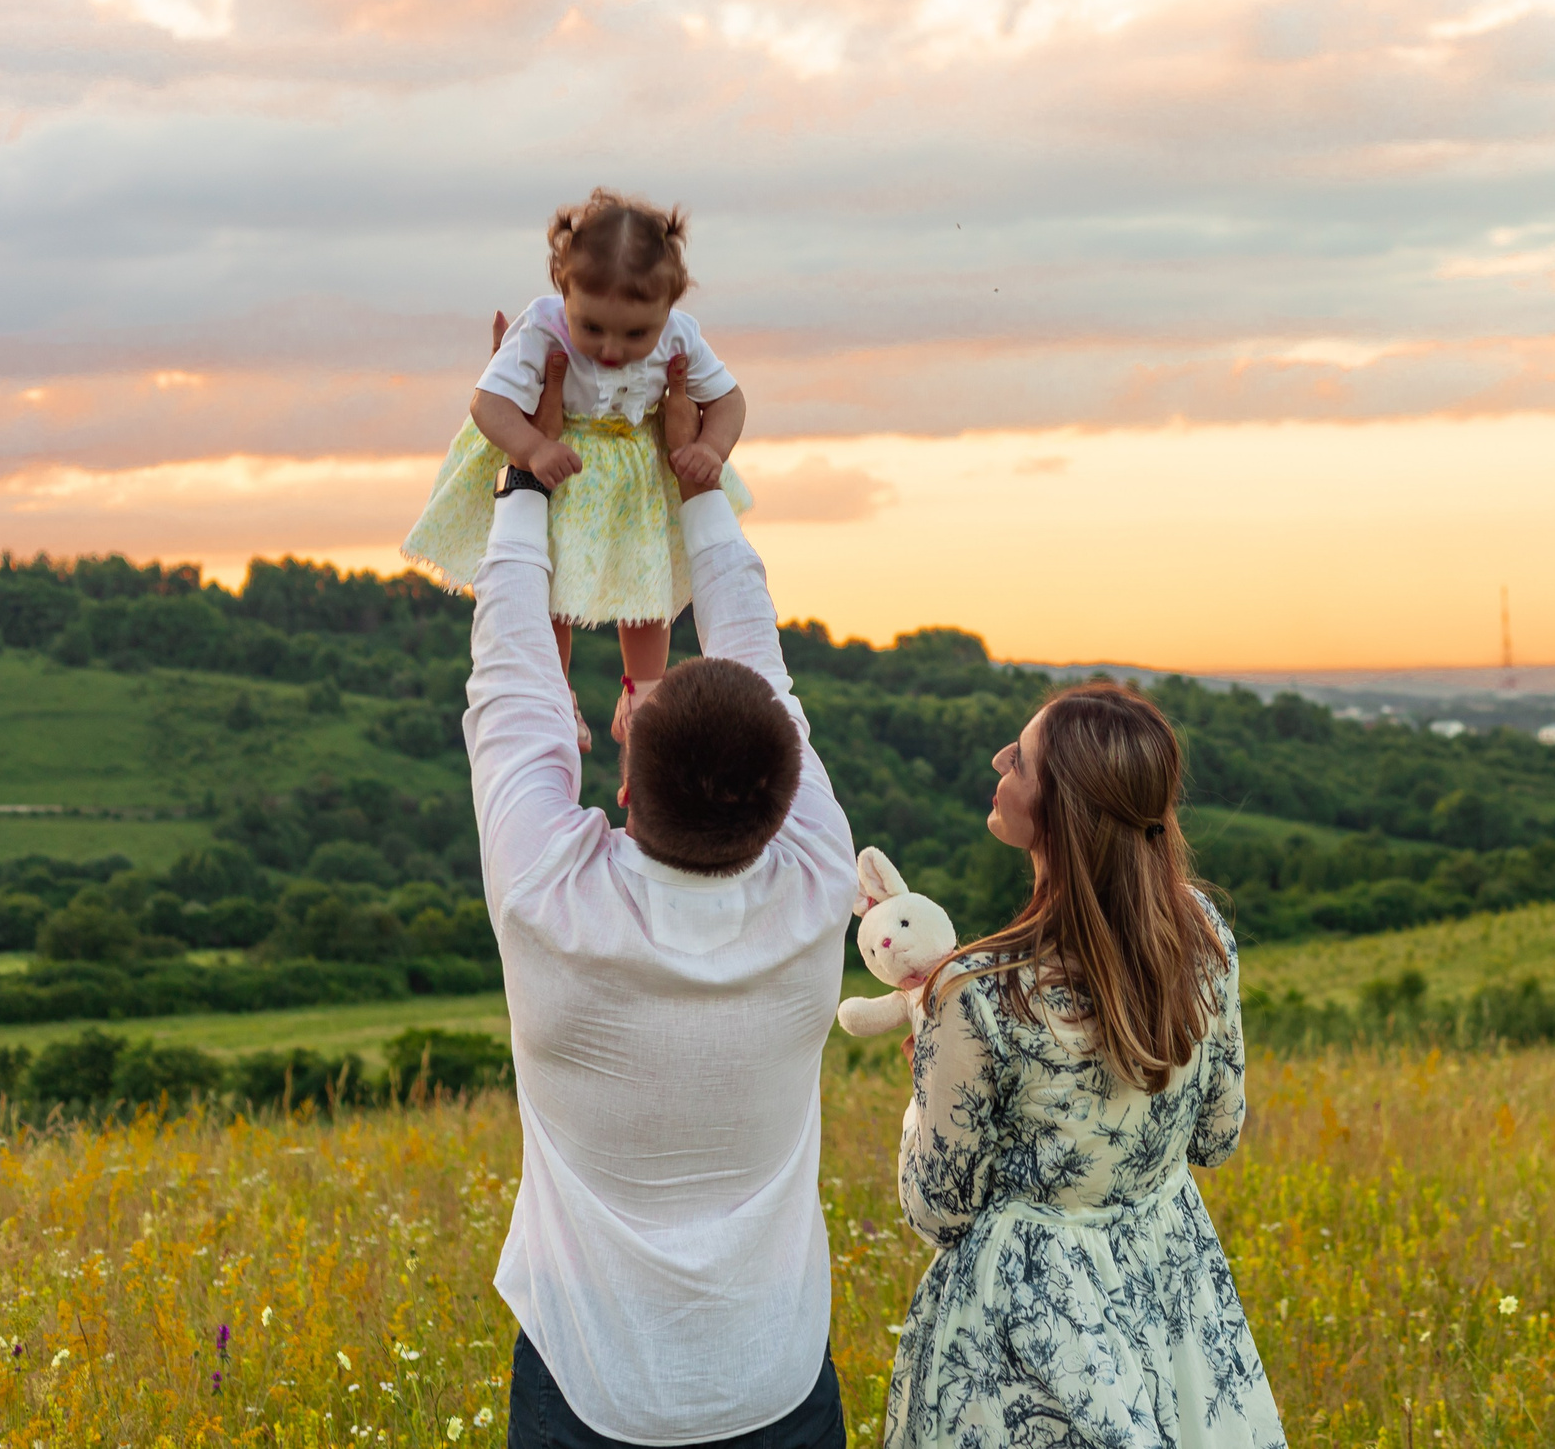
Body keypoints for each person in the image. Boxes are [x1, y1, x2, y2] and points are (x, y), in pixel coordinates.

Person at [465, 349, 859, 1448]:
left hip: (591, 1381)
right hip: (775, 1374)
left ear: (624, 787)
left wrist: (527, 474)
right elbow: (756, 660)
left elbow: (513, 681)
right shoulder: (822, 879)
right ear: (788, 801)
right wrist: (696, 481)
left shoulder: (551, 901)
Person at [886, 682, 1286, 1448]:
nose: (1000, 761)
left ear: (1058, 810)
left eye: (1022, 760)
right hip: (1169, 1293)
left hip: (1025, 1333)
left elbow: (937, 1208)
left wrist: (925, 1088)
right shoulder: (1204, 940)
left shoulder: (976, 994)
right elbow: (1217, 1133)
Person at [407, 188, 754, 747]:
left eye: (636, 334)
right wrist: (532, 448)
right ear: (562, 290)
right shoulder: (541, 325)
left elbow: (730, 401)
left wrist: (711, 449)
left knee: (647, 587)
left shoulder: (681, 335)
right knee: (551, 586)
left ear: (668, 307)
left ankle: (645, 694)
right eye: (591, 328)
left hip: (636, 470)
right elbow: (487, 403)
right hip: (560, 462)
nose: (612, 348)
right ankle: (554, 692)